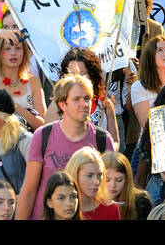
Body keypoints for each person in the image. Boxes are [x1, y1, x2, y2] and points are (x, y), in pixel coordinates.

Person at [16, 74, 114, 221]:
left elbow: (107, 191)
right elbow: (29, 190)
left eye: (87, 98)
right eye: (76, 99)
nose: (84, 104)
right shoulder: (43, 135)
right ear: (62, 104)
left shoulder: (102, 140)